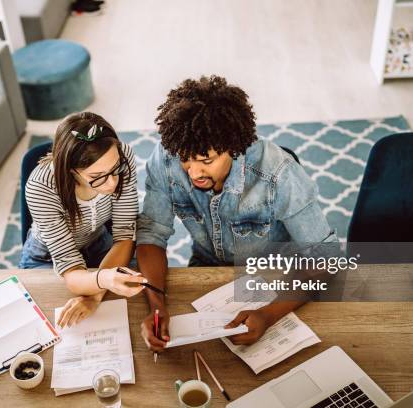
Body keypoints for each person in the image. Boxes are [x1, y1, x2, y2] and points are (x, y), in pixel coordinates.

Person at [136, 76, 338, 352]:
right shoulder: (166, 157)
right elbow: (151, 234)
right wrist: (157, 306)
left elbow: (325, 259)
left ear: (233, 148)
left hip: (275, 274)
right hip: (207, 266)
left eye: (206, 161)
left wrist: (267, 316)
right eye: (186, 159)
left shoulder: (278, 172)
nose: (193, 173)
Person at [19, 112, 147, 328]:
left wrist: (94, 296)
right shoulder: (40, 187)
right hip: (46, 256)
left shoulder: (122, 155)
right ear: (70, 171)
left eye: (115, 169)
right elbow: (70, 268)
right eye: (97, 177)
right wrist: (104, 280)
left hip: (99, 243)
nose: (112, 183)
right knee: (43, 319)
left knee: (138, 297)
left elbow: (125, 234)